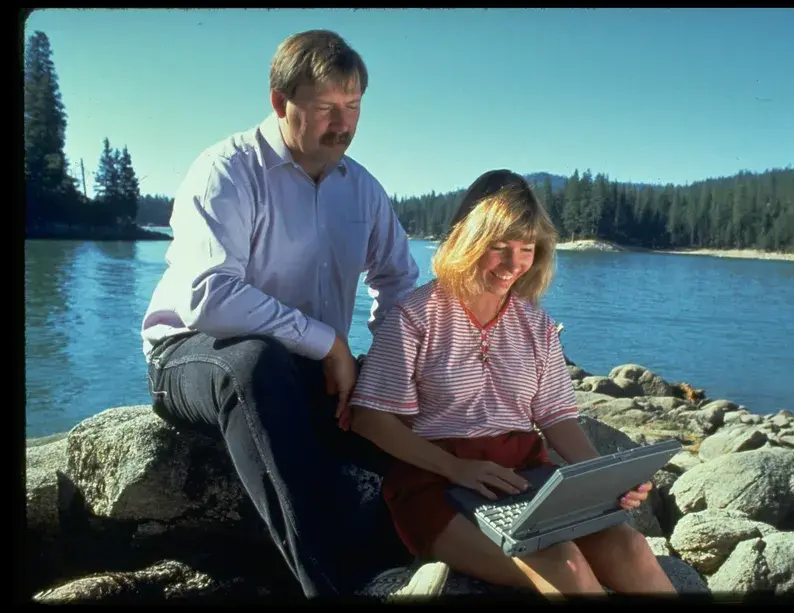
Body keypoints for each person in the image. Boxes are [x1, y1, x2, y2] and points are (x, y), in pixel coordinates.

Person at [140, 30, 419, 598]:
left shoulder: (363, 190)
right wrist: (330, 344)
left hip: (305, 366)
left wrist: (390, 367)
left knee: (409, 394)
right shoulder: (227, 169)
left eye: (353, 106)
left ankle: (436, 553)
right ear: (279, 101)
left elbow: (397, 284)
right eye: (326, 107)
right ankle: (337, 586)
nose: (343, 124)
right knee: (256, 364)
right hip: (191, 355)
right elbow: (209, 296)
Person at [348, 170, 677, 598]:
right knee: (565, 565)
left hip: (527, 480)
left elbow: (556, 418)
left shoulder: (535, 324)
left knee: (631, 548)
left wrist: (605, 479)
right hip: (437, 484)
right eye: (499, 247)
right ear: (467, 240)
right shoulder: (415, 317)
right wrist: (456, 468)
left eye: (526, 249)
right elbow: (369, 419)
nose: (513, 265)